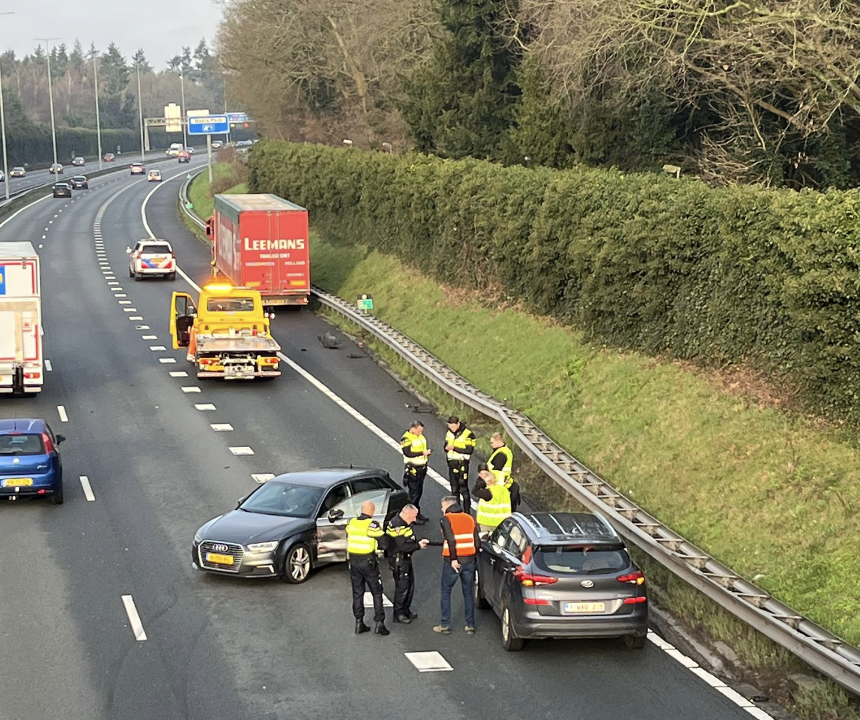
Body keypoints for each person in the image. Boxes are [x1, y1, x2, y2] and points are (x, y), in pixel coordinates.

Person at [427, 495, 481, 635]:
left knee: (446, 591)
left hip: (453, 561)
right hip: (469, 560)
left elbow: (450, 539)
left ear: (447, 505)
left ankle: (445, 624)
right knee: (468, 592)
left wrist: (453, 559)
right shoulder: (469, 518)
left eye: (442, 506)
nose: (441, 509)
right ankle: (470, 625)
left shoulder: (446, 519)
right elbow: (477, 541)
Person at [346, 500, 389, 636]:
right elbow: (384, 543)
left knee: (357, 592)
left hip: (354, 562)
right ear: (371, 511)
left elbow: (349, 533)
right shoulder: (371, 524)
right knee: (377, 592)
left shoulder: (352, 523)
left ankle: (359, 622)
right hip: (368, 562)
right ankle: (379, 623)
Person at [385, 503, 430, 623]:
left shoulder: (404, 523)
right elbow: (402, 546)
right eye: (413, 517)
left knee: (410, 586)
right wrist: (418, 546)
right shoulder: (397, 526)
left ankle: (406, 610)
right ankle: (398, 613)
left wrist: (416, 543)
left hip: (405, 559)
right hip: (399, 561)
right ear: (407, 514)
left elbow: (409, 539)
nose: (415, 519)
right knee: (402, 588)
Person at [401, 420, 431, 523]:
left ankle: (417, 513)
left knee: (419, 492)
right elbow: (407, 453)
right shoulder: (406, 438)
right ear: (413, 428)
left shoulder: (420, 436)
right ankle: (411, 517)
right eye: (419, 431)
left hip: (422, 467)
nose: (420, 433)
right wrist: (422, 453)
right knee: (414, 493)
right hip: (413, 469)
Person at [444, 415, 476, 514]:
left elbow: (469, 450)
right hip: (452, 463)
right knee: (454, 489)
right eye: (450, 426)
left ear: (458, 424)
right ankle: (456, 512)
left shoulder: (468, 434)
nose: (451, 429)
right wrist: (446, 448)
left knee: (463, 489)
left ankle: (467, 512)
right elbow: (445, 446)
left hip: (462, 464)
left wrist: (454, 448)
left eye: (453, 426)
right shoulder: (449, 433)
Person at [473, 463, 512, 536]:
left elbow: (474, 491)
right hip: (502, 523)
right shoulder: (505, 490)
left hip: (487, 523)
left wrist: (480, 483)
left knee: (485, 541)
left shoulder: (489, 492)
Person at [487, 433, 521, 512]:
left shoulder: (501, 454)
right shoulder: (505, 451)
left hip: (498, 483)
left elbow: (496, 469)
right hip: (503, 481)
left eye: (492, 442)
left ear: (499, 442)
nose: (491, 445)